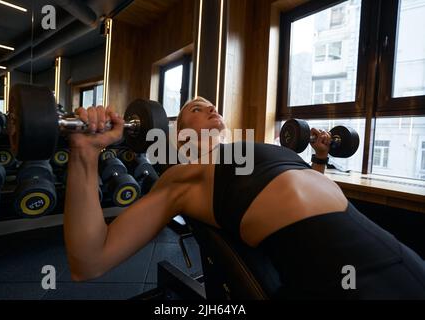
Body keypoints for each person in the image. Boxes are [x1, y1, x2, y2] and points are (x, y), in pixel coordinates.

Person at [64, 97, 425, 299]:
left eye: (211, 105)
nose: (210, 108)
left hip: (396, 252)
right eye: (196, 109)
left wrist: (319, 156)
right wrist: (85, 153)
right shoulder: (183, 177)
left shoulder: (258, 149)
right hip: (344, 279)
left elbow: (304, 191)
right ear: (179, 134)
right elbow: (90, 261)